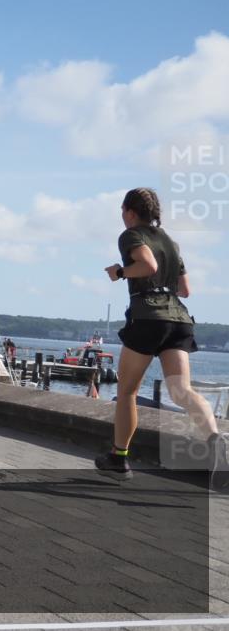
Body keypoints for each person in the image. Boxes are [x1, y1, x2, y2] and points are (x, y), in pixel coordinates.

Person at [97, 187, 227, 487]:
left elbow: (148, 265)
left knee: (127, 390)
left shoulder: (131, 235)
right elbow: (185, 290)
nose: (122, 217)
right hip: (178, 319)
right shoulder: (170, 241)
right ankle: (215, 440)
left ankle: (119, 457)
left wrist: (120, 272)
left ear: (130, 212)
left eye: (122, 211)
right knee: (181, 391)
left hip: (148, 318)